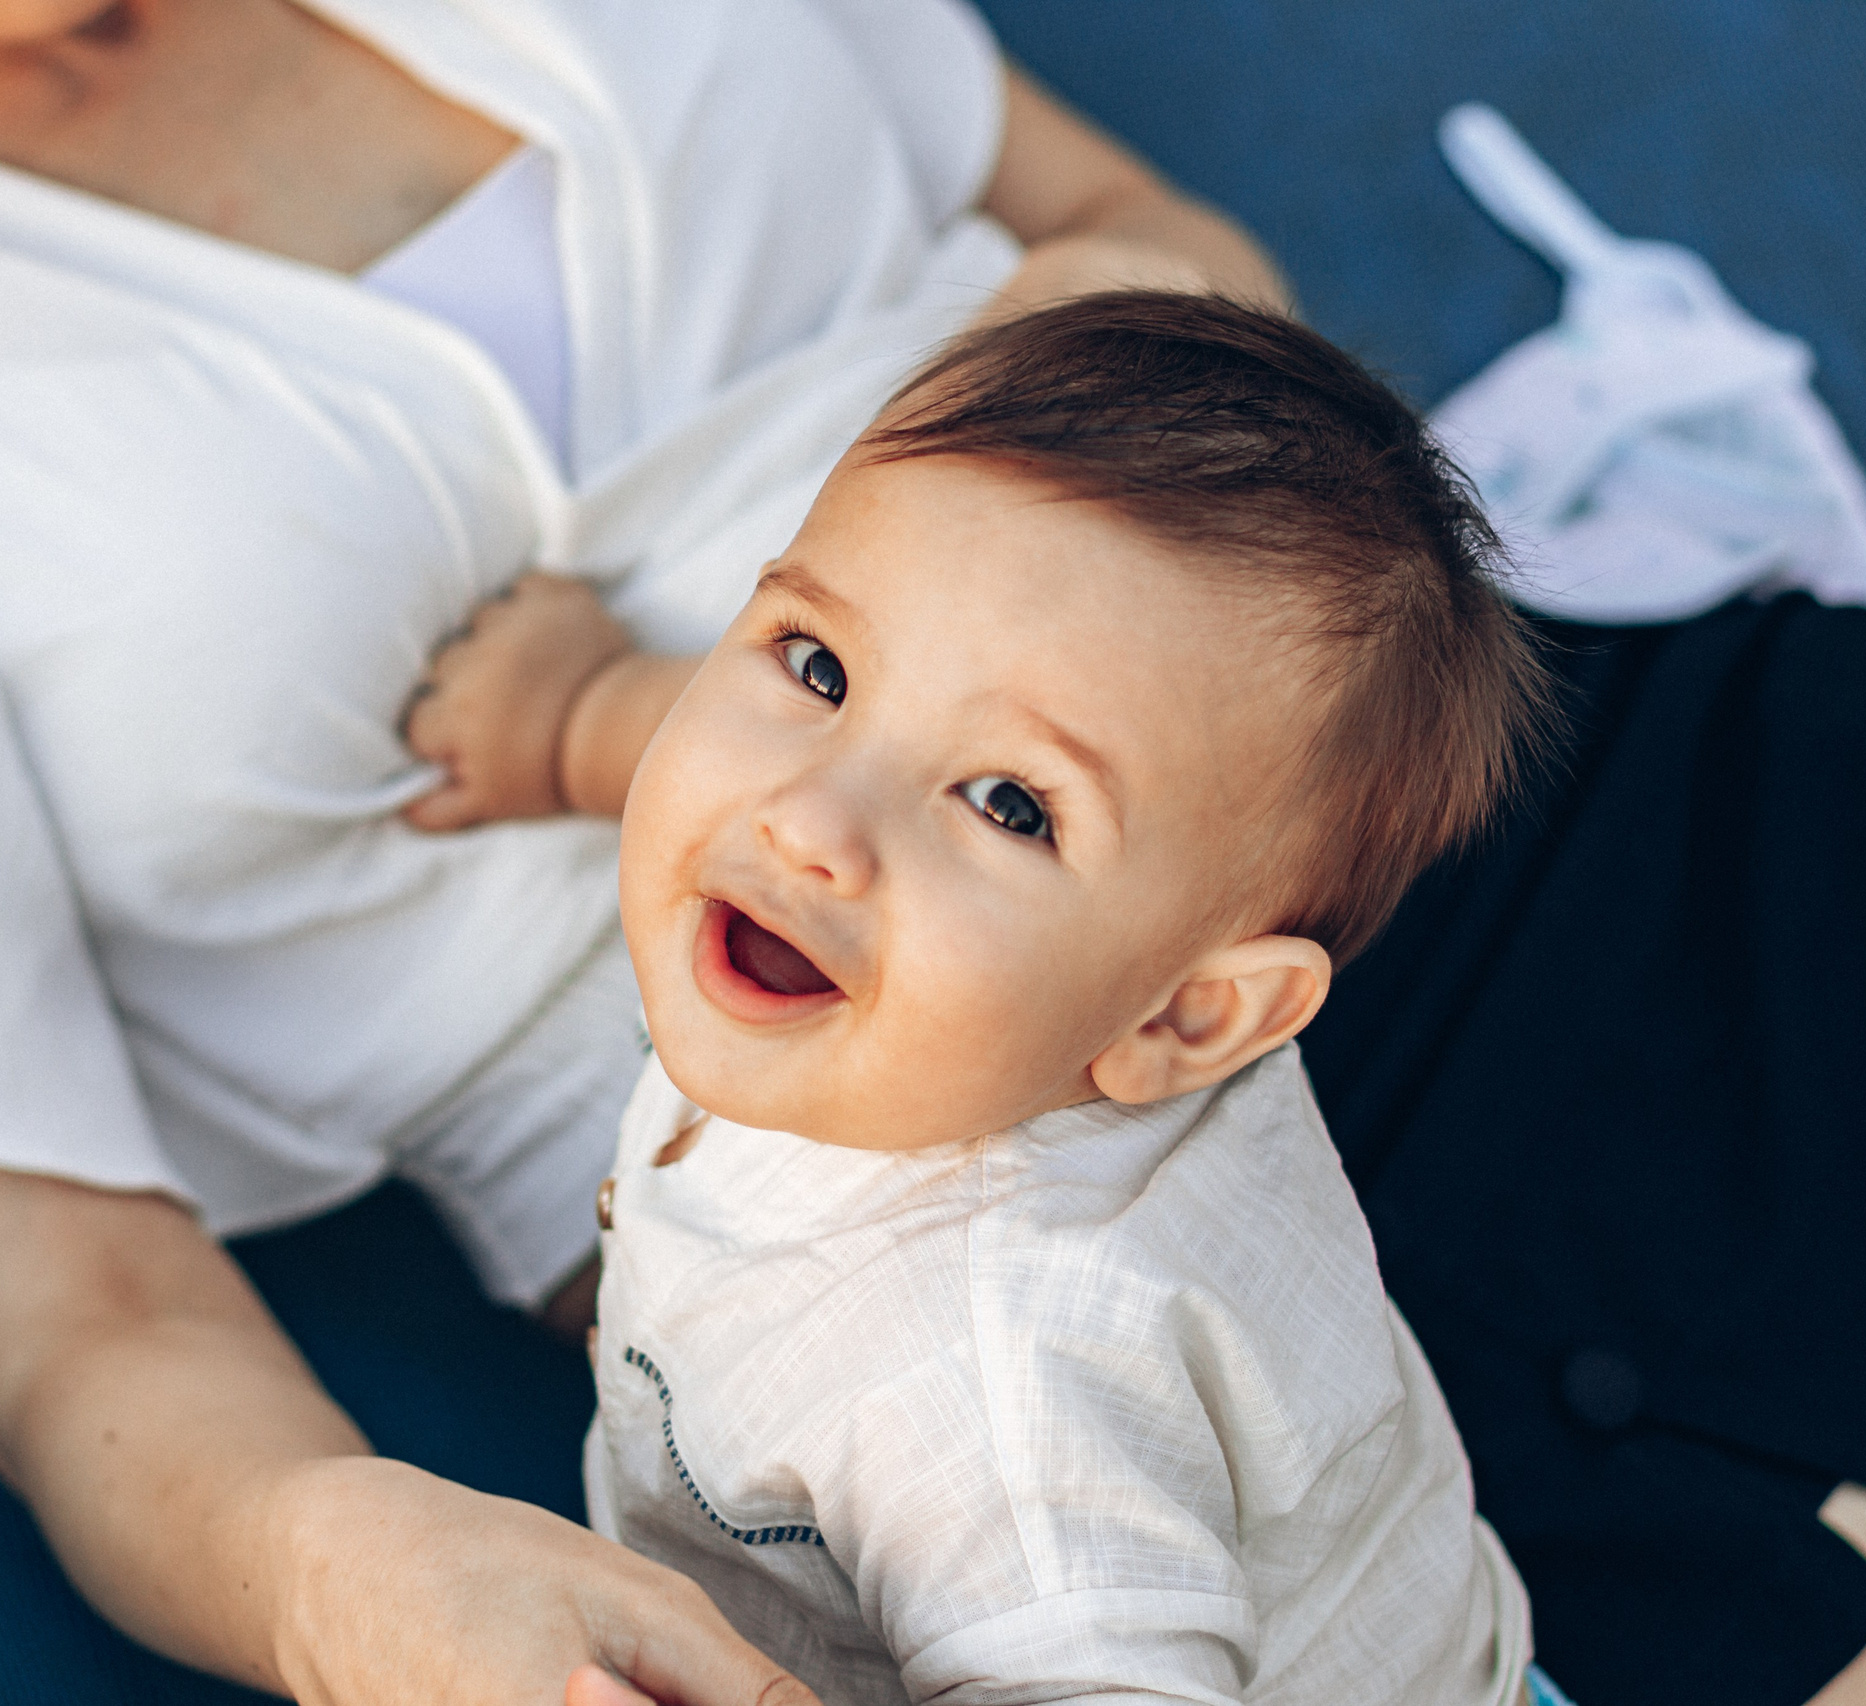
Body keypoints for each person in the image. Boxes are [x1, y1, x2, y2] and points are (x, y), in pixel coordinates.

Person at [0, 3, 1866, 1704]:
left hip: (1570, 815)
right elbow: (73, 1314)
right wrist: (338, 1565)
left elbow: (1189, 287)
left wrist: (1066, 366)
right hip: (1136, 1346)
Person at [0, 1, 1288, 1700]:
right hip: (912, 1333)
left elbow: (1139, 231)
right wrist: (340, 1575)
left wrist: (1112, 362)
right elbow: (79, 1316)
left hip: (1350, 825)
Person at [578, 296, 1545, 1705]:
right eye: (820, 667)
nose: (812, 821)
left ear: (1186, 1019)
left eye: (1009, 804)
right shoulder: (986, 1012)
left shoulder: (997, 1380)